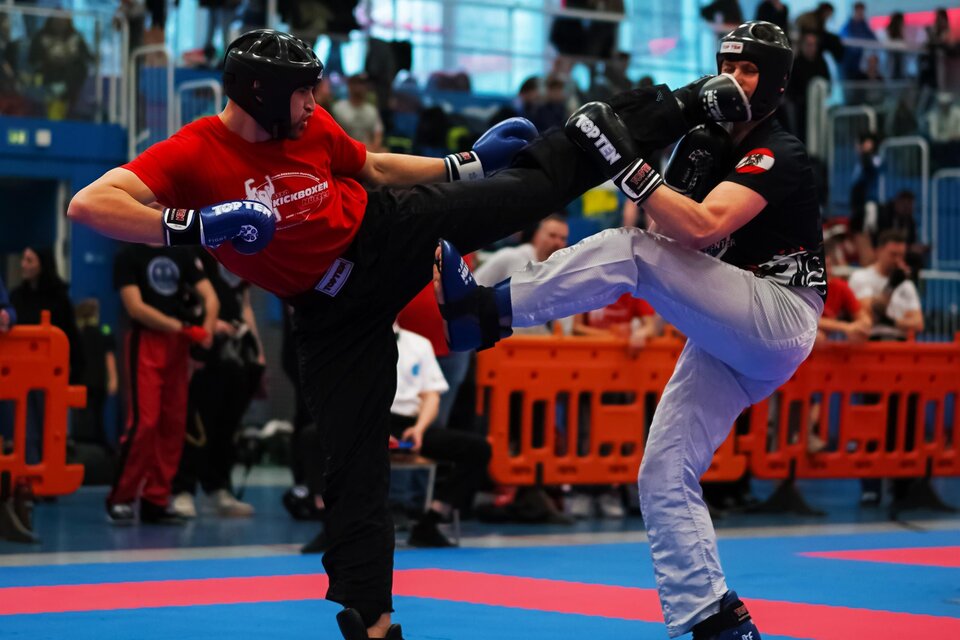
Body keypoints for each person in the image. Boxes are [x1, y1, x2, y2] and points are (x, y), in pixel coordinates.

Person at [67, 28, 707, 640]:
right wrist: (199, 226)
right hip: (330, 315)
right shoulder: (198, 149)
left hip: (387, 233)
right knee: (354, 469)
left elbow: (370, 167)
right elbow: (91, 203)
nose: (313, 102)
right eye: (302, 90)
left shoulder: (310, 125)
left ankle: (678, 106)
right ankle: (373, 624)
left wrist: (460, 165)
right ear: (261, 93)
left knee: (524, 188)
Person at [438, 21, 825, 640]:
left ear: (776, 84)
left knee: (629, 250)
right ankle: (714, 619)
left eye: (749, 69)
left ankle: (486, 313)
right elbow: (674, 238)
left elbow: (700, 227)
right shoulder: (703, 142)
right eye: (727, 64)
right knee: (663, 471)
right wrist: (635, 162)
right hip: (731, 331)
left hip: (779, 314)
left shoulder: (780, 150)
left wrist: (628, 167)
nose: (734, 78)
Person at [108, 243, 218, 525]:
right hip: (147, 341)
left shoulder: (181, 252)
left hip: (177, 346)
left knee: (173, 423)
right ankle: (122, 497)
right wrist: (182, 328)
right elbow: (135, 308)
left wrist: (205, 331)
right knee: (144, 422)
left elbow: (210, 297)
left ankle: (156, 499)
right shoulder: (128, 255)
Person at [171, 249, 264, 519]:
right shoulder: (198, 250)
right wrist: (212, 324)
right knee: (198, 423)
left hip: (236, 349)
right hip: (206, 344)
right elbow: (189, 298)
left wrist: (258, 349)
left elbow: (244, 302)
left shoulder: (242, 252)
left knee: (228, 424)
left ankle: (218, 488)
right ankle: (183, 489)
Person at [10, 247, 85, 463]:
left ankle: (52, 470)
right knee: (26, 427)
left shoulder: (59, 298)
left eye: (29, 260)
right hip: (22, 373)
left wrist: (75, 371)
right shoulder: (16, 297)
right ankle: (29, 476)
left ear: (41, 265)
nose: (23, 264)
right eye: (23, 259)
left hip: (51, 374)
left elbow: (70, 335)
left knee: (52, 425)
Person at [848, 230, 924, 341]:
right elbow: (869, 314)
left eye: (901, 255)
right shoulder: (860, 277)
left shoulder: (906, 284)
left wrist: (891, 322)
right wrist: (891, 287)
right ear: (878, 251)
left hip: (900, 344)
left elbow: (918, 324)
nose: (898, 260)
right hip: (870, 342)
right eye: (893, 254)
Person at [73, 298, 118, 447]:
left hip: (82, 381)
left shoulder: (77, 334)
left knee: (83, 416)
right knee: (97, 416)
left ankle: (85, 445)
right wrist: (113, 379)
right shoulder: (103, 333)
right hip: (98, 382)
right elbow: (109, 358)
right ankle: (98, 446)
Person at [332, 73, 385, 151]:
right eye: (355, 83)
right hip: (343, 152)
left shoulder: (372, 111)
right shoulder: (338, 108)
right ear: (349, 85)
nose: (359, 87)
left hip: (366, 153)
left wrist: (372, 150)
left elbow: (378, 136)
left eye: (362, 84)